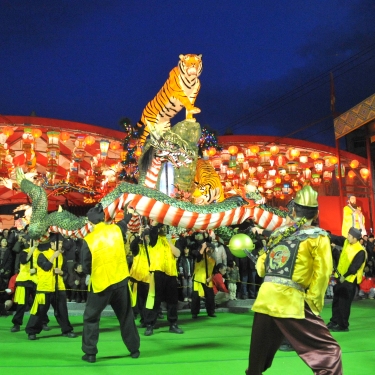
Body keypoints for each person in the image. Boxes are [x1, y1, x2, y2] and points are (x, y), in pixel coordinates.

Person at [246, 185, 342, 375]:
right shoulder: (319, 237)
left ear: (294, 211)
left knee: (257, 360)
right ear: (316, 214)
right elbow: (322, 273)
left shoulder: (277, 234)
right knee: (329, 352)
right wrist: (314, 303)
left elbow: (261, 268)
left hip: (265, 298)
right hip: (291, 300)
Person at [81, 204, 140, 363]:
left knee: (91, 318)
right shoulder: (115, 230)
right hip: (120, 281)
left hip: (101, 285)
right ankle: (134, 349)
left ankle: (90, 353)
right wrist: (128, 213)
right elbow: (124, 222)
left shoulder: (88, 240)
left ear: (90, 223)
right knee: (126, 316)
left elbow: (86, 266)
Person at [25, 233, 77, 340]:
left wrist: (61, 272)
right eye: (59, 243)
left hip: (59, 287)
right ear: (52, 244)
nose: (61, 245)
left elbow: (67, 272)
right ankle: (31, 331)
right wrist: (54, 256)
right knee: (40, 311)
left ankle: (67, 330)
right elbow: (46, 267)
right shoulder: (42, 254)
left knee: (62, 310)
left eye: (62, 243)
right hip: (45, 287)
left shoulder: (62, 256)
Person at [141, 221, 183, 336]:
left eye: (164, 226)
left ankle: (173, 324)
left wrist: (169, 242)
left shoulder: (174, 240)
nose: (163, 229)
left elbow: (178, 254)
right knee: (155, 300)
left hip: (171, 274)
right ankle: (150, 325)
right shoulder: (154, 240)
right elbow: (153, 231)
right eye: (161, 227)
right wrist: (155, 224)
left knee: (172, 301)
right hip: (158, 273)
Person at [328, 227, 366, 332]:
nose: (347, 237)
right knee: (336, 301)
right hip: (339, 278)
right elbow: (336, 238)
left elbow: (354, 268)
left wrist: (344, 276)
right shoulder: (346, 242)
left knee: (344, 304)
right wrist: (324, 234)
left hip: (349, 280)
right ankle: (334, 321)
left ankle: (343, 325)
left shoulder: (360, 251)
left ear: (355, 238)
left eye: (349, 236)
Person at [190, 239, 216, 318]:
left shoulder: (213, 260)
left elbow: (214, 271)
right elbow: (198, 255)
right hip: (198, 279)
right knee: (196, 297)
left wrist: (210, 278)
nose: (210, 250)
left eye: (211, 249)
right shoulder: (199, 255)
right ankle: (194, 313)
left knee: (210, 297)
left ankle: (211, 312)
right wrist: (203, 247)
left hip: (208, 280)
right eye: (209, 248)